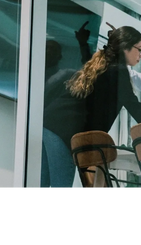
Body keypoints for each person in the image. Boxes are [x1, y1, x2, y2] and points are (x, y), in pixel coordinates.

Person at [66, 26, 141, 137]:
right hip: (74, 137)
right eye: (139, 49)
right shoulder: (118, 70)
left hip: (64, 130)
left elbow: (87, 58)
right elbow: (134, 107)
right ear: (125, 47)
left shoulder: (103, 66)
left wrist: (84, 43)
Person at [41, 39, 86, 190]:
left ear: (60, 56)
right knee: (42, 182)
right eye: (45, 47)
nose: (48, 51)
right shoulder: (30, 75)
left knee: (59, 184)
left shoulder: (67, 75)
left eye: (52, 48)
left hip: (56, 130)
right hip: (45, 130)